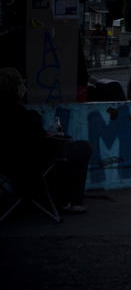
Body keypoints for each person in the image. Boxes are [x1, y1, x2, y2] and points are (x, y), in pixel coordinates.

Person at [0, 67, 93, 215]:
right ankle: (73, 201)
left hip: (6, 165)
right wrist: (53, 137)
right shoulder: (25, 116)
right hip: (28, 164)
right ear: (17, 88)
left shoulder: (16, 114)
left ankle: (62, 198)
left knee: (63, 150)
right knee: (82, 148)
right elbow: (35, 144)